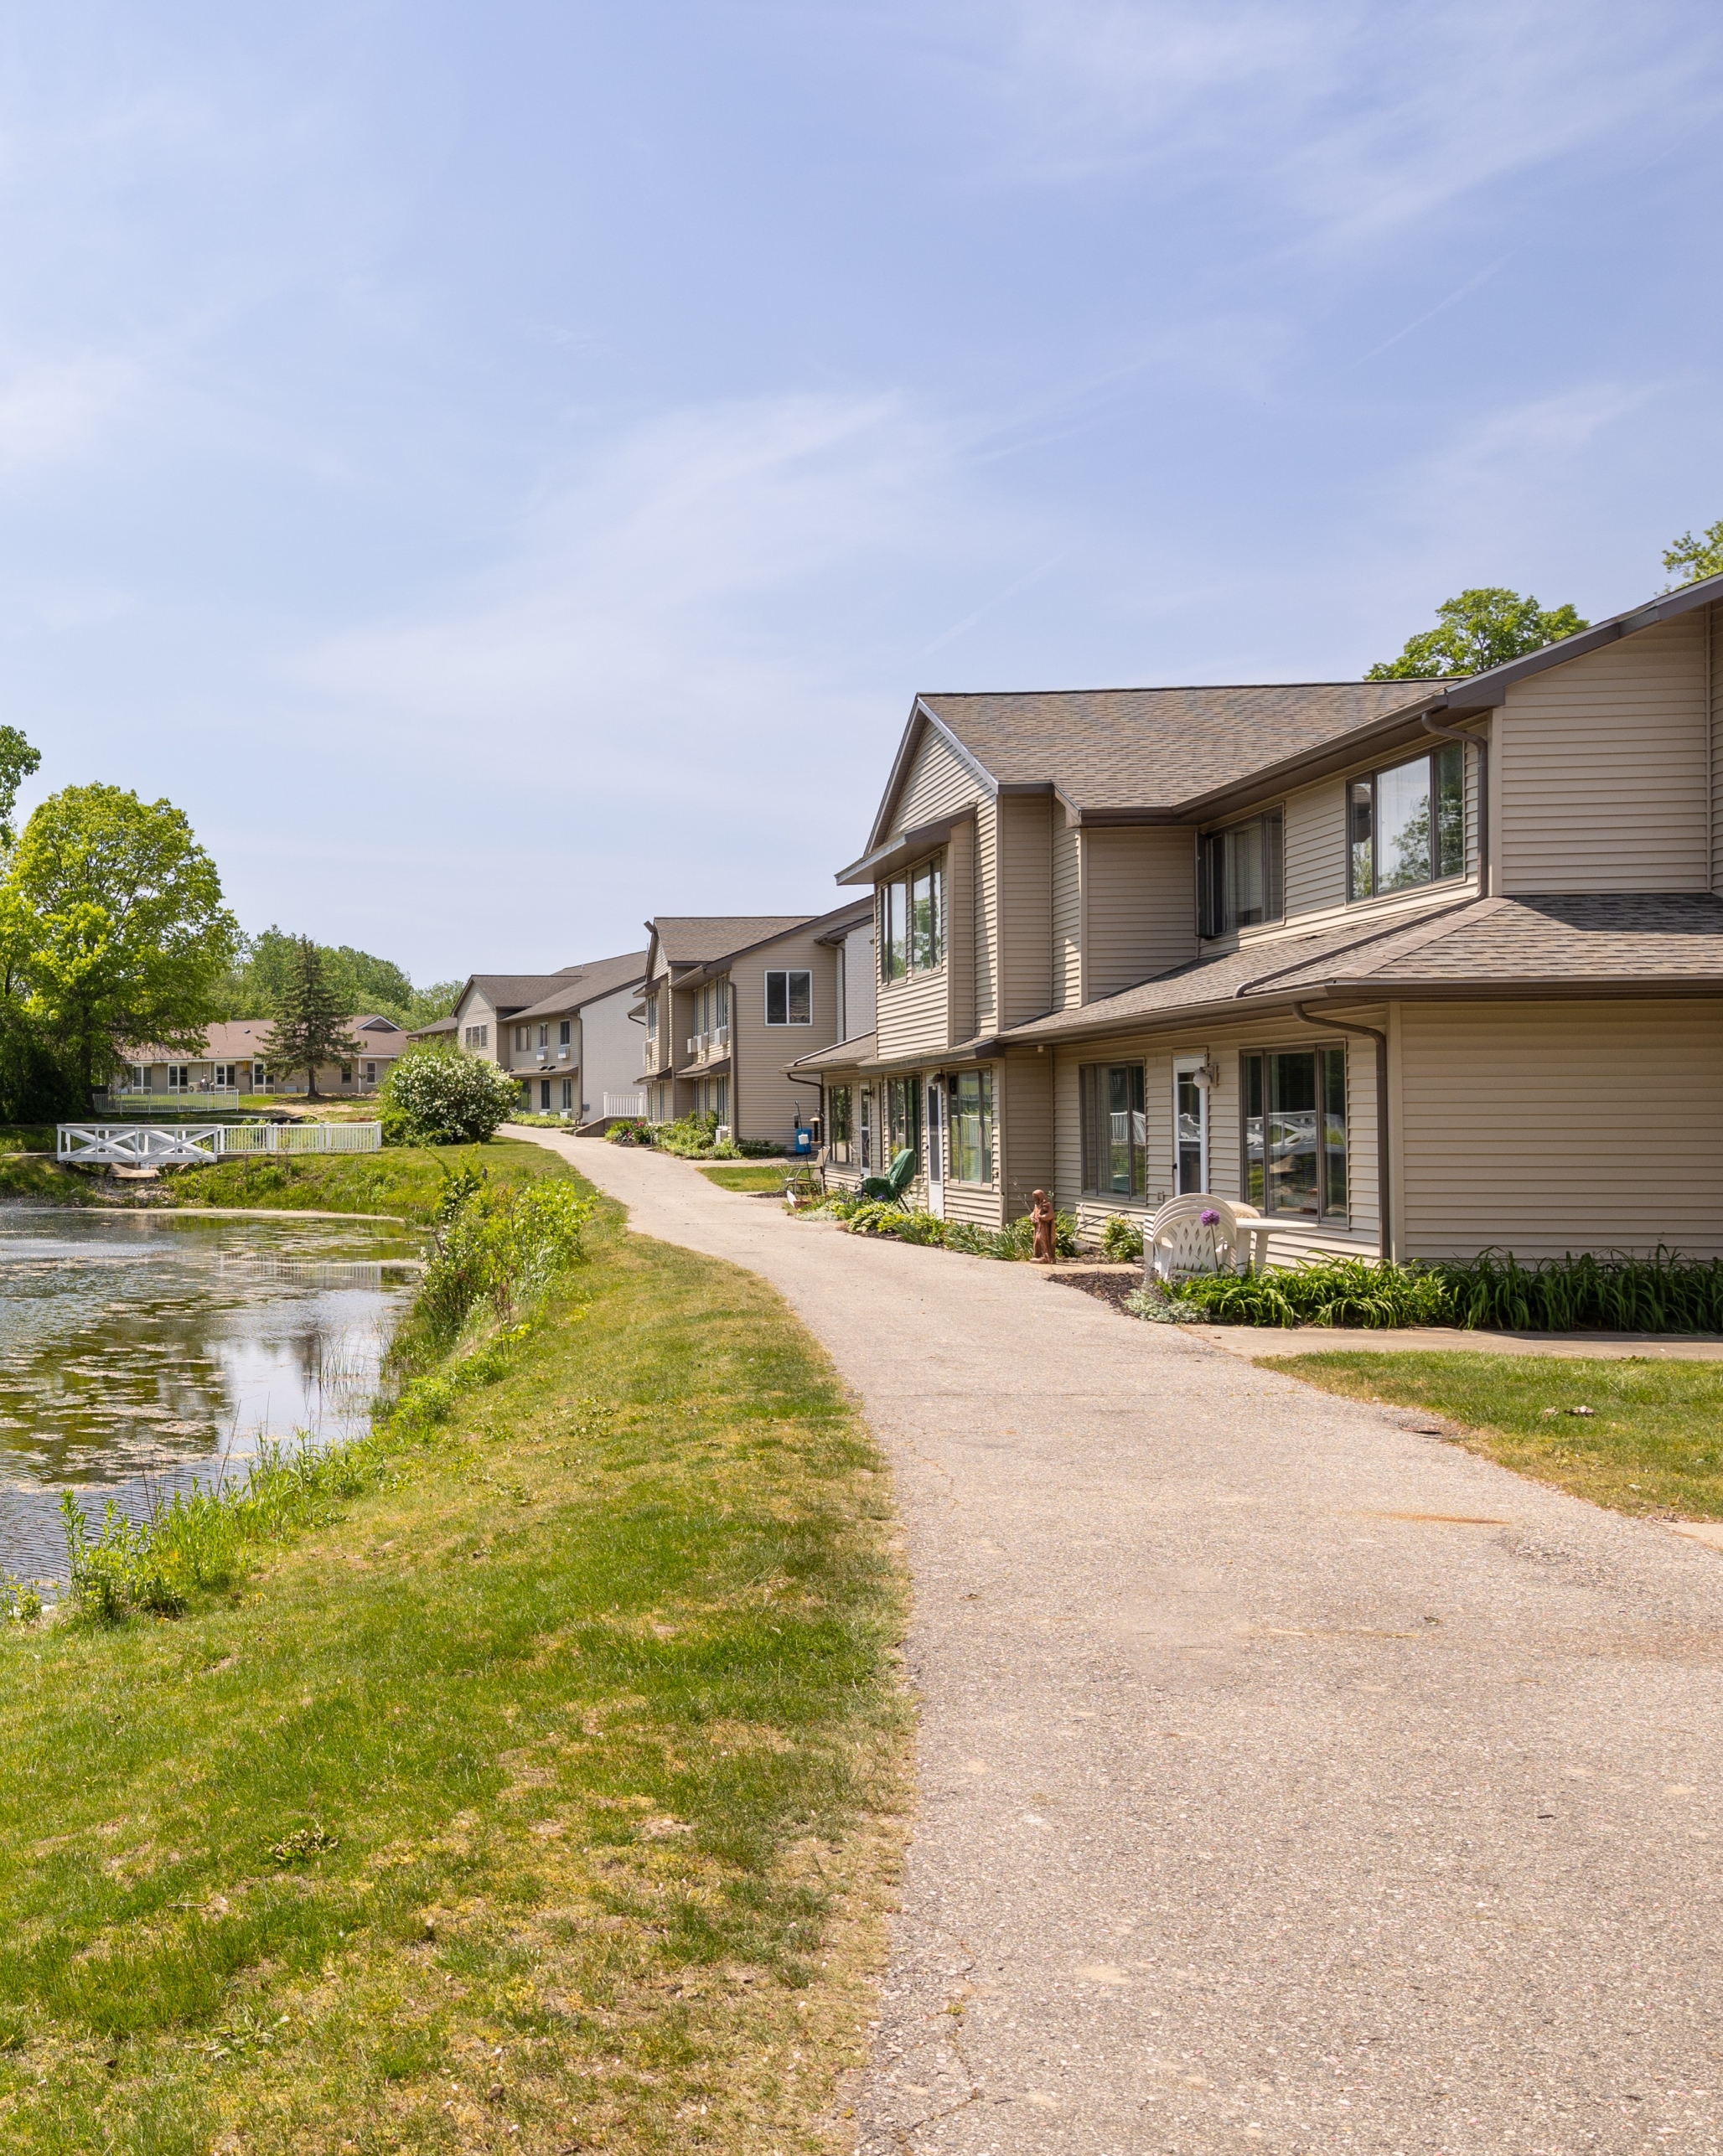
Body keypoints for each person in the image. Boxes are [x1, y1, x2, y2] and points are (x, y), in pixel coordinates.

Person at [1030, 1187, 1058, 1264]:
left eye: (1035, 1197)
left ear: (1040, 1197)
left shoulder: (1047, 1205)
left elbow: (1051, 1214)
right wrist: (1032, 1218)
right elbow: (1033, 1213)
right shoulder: (1037, 1206)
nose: (1034, 1199)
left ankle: (1046, 1255)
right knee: (1036, 1240)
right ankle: (1038, 1254)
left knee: (1042, 1239)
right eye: (1034, 1197)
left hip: (1044, 1227)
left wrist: (1042, 1217)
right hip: (1038, 1226)